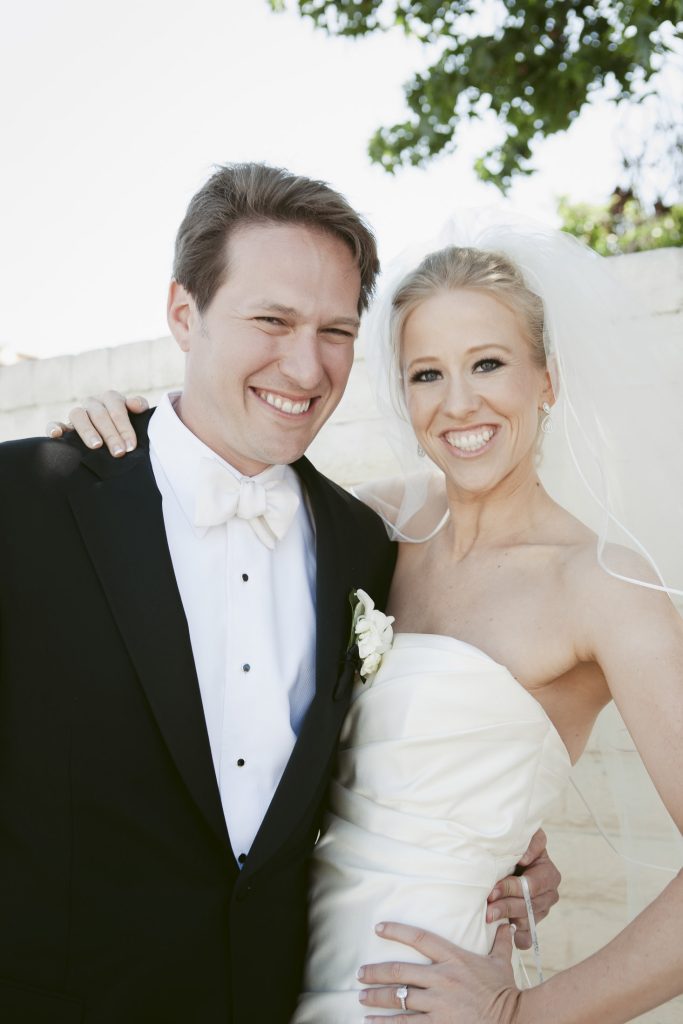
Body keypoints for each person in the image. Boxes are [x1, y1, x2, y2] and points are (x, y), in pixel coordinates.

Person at [67, 220, 683, 1023]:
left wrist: (522, 1015)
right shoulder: (373, 526)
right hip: (268, 973)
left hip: (415, 999)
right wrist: (130, 430)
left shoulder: (601, 587)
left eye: (488, 364)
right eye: (426, 374)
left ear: (547, 380)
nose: (458, 403)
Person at [0, 165, 554, 1024]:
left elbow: (377, 764)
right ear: (185, 314)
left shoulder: (367, 545)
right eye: (271, 320)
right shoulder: (29, 502)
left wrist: (504, 849)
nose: (305, 366)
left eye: (335, 330)